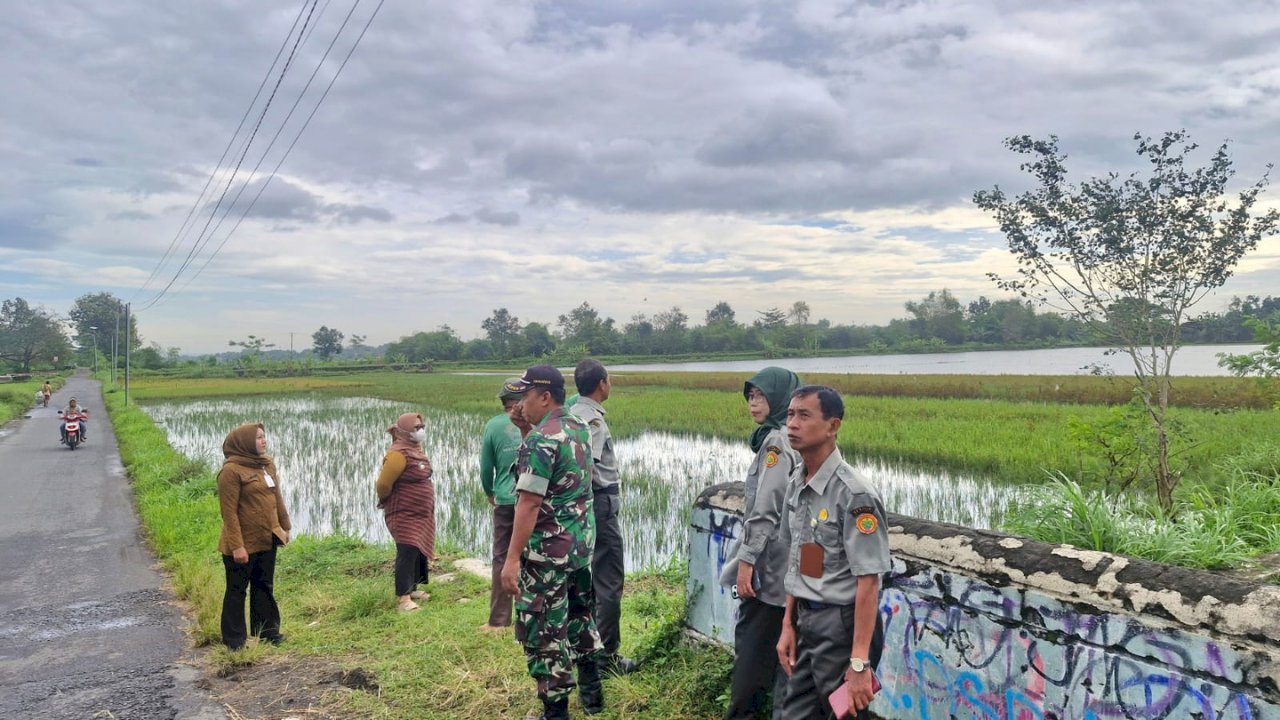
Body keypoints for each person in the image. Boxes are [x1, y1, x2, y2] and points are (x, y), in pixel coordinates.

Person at [775, 387, 890, 720]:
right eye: (790, 415)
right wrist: (788, 623)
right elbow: (802, 563)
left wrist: (859, 663)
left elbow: (869, 582)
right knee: (794, 713)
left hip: (841, 624)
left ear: (833, 426)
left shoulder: (854, 495)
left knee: (846, 713)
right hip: (806, 620)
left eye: (804, 415)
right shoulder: (798, 482)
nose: (792, 424)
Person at [500, 365, 604, 720]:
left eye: (525, 396)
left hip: (546, 554)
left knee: (543, 629)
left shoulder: (540, 441)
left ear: (544, 397)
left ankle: (555, 712)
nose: (519, 403)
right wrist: (528, 427)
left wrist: (512, 559)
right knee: (579, 614)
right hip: (578, 547)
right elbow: (565, 476)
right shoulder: (577, 426)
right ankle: (593, 696)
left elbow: (528, 503)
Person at [722, 367, 802, 720]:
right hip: (792, 570)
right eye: (750, 396)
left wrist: (746, 561)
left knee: (753, 654)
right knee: (785, 659)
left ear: (781, 398)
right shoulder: (791, 437)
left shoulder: (776, 442)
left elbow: (765, 507)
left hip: (770, 571)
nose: (754, 403)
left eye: (761, 396)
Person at [571, 358, 637, 676]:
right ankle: (607, 657)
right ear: (602, 384)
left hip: (585, 507)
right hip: (600, 503)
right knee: (609, 579)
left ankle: (586, 648)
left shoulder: (573, 414)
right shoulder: (592, 421)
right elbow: (588, 467)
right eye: (609, 380)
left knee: (588, 579)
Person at [217, 423, 291, 650]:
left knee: (264, 586)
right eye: (258, 437)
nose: (263, 441)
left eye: (264, 437)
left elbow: (276, 497)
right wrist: (237, 546)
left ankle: (268, 632)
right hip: (242, 543)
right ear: (244, 442)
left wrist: (285, 526)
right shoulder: (231, 471)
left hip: (266, 538)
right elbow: (228, 513)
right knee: (237, 591)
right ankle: (234, 641)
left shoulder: (266, 465)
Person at [479, 378, 531, 631]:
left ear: (503, 402)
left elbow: (485, 467)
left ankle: (498, 621)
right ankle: (529, 615)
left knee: (502, 556)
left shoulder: (493, 426)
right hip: (532, 500)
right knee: (532, 557)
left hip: (505, 499)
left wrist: (491, 492)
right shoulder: (538, 423)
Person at [376, 412, 436, 612]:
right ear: (403, 431)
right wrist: (386, 499)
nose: (421, 431)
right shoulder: (397, 454)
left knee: (417, 548)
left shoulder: (415, 449)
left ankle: (413, 588)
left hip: (420, 512)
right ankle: (403, 599)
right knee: (407, 549)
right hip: (404, 512)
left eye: (421, 426)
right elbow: (383, 484)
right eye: (416, 428)